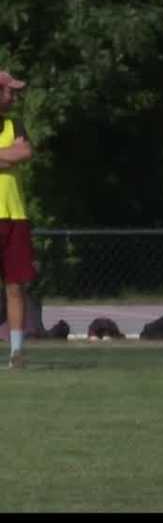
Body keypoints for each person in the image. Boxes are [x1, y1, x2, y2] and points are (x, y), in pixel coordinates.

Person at [0, 70, 34, 370]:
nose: (13, 97)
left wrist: (12, 154)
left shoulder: (16, 123)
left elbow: (23, 152)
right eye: (9, 92)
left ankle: (16, 353)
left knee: (15, 286)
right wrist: (5, 155)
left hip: (15, 213)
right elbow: (13, 155)